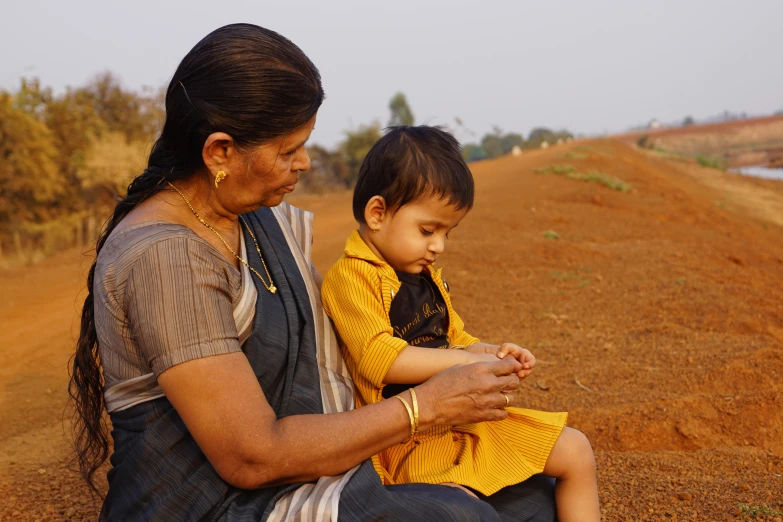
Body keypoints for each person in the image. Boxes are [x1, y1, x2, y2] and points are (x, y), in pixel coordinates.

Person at [68, 24, 559, 521]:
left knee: (534, 498)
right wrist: (424, 408)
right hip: (215, 505)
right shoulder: (163, 259)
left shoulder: (248, 215)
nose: (304, 163)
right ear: (219, 152)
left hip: (312, 466)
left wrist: (456, 357)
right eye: (287, 151)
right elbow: (251, 454)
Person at [321, 126, 601, 521]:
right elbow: (378, 358)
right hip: (407, 443)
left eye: (447, 233)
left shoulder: (424, 277)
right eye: (427, 230)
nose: (439, 246)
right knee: (463, 510)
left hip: (457, 426)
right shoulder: (352, 278)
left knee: (576, 450)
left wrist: (488, 353)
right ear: (377, 213)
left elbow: (452, 338)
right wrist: (464, 364)